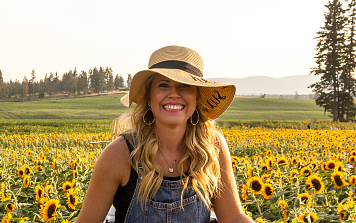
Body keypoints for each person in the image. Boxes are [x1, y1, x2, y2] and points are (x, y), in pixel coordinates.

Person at [76, 46, 253, 223]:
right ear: (149, 97)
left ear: (196, 97)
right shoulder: (119, 154)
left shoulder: (212, 147)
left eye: (185, 86)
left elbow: (233, 217)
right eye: (163, 85)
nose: (174, 94)